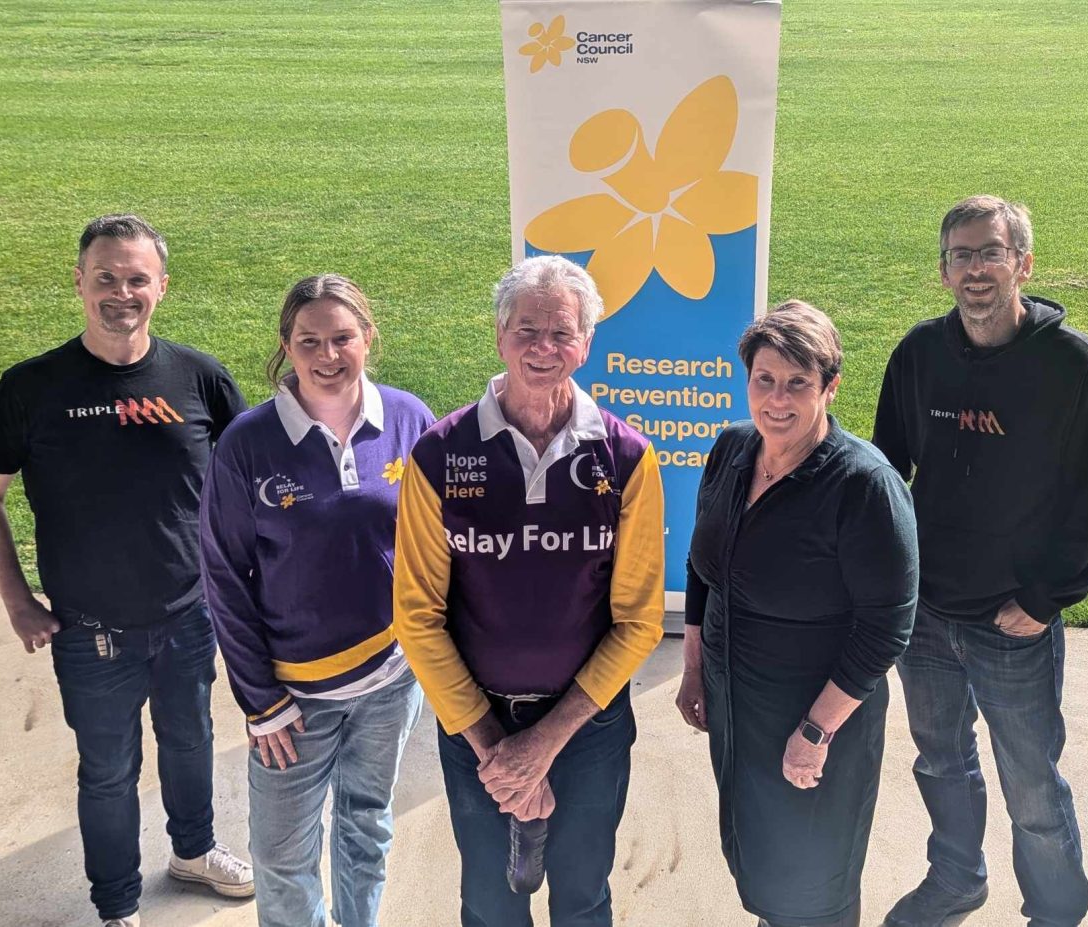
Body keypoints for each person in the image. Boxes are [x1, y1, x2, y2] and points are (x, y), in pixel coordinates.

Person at [0, 215, 252, 927]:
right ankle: (117, 902)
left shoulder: (200, 377)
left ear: (160, 285)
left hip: (189, 617)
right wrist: (16, 599)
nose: (120, 292)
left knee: (190, 743)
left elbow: (247, 480)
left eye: (135, 278)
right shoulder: (31, 388)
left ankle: (193, 850)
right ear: (79, 282)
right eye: (105, 278)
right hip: (89, 629)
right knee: (108, 773)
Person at [393, 254, 665, 927]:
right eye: (526, 330)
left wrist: (541, 745)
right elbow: (418, 617)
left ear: (587, 343)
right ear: (499, 334)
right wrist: (495, 748)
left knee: (583, 897)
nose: (543, 348)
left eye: (562, 333)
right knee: (490, 903)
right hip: (474, 725)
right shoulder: (440, 453)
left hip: (589, 729)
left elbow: (638, 622)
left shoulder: (627, 458)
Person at [873, 195, 1088, 927]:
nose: (976, 269)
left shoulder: (1071, 365)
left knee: (1032, 782)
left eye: (990, 252)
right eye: (961, 255)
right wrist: (894, 582)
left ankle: (1054, 907)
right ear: (943, 271)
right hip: (927, 615)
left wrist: (1046, 599)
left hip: (1014, 619)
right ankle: (956, 879)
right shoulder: (919, 354)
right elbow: (886, 473)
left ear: (1023, 263)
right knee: (940, 760)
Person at [675, 301, 918, 927]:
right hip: (737, 703)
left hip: (814, 713)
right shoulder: (732, 450)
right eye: (764, 380)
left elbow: (886, 627)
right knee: (760, 853)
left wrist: (816, 733)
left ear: (829, 387)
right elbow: (704, 568)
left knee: (815, 880)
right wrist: (694, 668)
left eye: (798, 383)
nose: (777, 399)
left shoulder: (864, 484)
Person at [200, 274, 431, 927]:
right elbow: (223, 574)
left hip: (390, 683)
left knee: (365, 827)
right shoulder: (248, 444)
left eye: (342, 337)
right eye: (310, 341)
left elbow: (437, 539)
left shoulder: (410, 418)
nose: (328, 355)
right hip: (291, 702)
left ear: (368, 336)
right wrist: (260, 700)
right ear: (286, 345)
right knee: (279, 854)